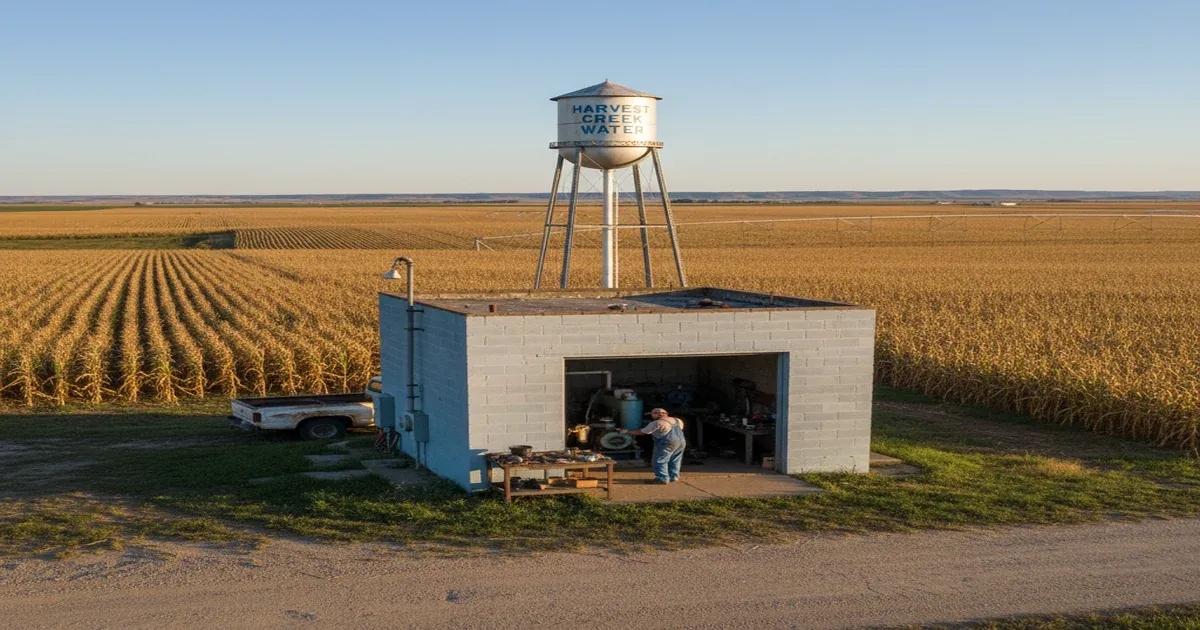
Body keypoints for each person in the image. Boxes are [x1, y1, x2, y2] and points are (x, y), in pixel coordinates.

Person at [621, 408, 686, 484]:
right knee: (675, 460)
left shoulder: (656, 423)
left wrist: (627, 432)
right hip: (681, 442)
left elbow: (641, 432)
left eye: (656, 413)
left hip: (667, 442)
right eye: (655, 412)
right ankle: (674, 477)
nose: (658, 414)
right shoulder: (677, 420)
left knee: (660, 460)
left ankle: (662, 479)